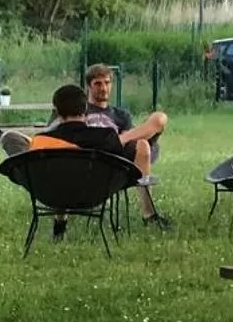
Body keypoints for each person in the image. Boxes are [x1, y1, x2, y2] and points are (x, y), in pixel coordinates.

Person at [39, 83, 172, 232]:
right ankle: (148, 214)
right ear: (85, 110)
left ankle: (60, 222)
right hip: (97, 193)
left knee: (63, 173)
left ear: (56, 112)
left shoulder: (42, 141)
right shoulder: (106, 137)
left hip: (57, 194)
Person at [82, 64, 171, 223]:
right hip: (91, 161)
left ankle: (149, 215)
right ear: (89, 85)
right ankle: (149, 215)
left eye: (107, 83)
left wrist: (120, 140)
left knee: (158, 119)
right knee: (143, 144)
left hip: (119, 161)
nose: (104, 88)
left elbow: (136, 144)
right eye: (98, 83)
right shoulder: (80, 111)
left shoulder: (120, 115)